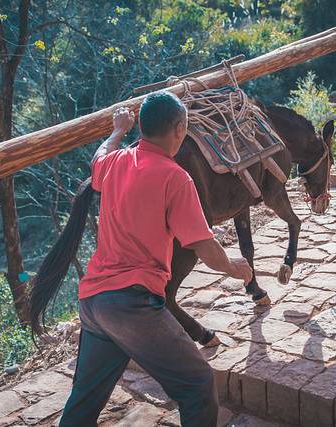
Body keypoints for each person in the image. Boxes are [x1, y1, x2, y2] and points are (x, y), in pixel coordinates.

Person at [58, 91, 253, 427]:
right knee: (198, 385)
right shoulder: (175, 177)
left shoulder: (116, 162)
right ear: (179, 129)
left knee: (84, 401)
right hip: (132, 305)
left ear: (143, 128)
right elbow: (204, 247)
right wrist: (235, 268)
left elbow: (99, 157)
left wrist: (117, 130)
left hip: (93, 304)